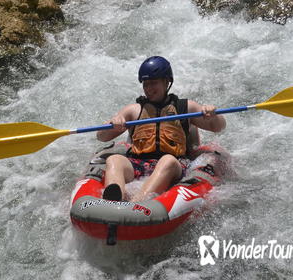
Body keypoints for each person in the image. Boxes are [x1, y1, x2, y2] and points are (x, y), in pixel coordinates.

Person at [96, 56, 226, 202]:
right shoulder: (133, 110)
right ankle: (114, 199)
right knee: (115, 160)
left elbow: (218, 127)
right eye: (145, 84)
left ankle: (137, 203)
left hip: (174, 165)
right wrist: (112, 123)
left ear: (166, 82)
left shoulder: (185, 108)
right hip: (138, 163)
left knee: (167, 160)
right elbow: (102, 137)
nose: (149, 89)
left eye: (153, 83)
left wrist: (213, 115)